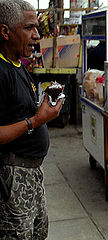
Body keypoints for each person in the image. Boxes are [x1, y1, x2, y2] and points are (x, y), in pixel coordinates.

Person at [0, 0, 63, 239]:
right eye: (29, 28)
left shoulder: (17, 64)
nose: (37, 35)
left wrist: (44, 105)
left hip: (32, 174)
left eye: (36, 27)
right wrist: (36, 121)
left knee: (37, 232)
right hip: (13, 177)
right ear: (5, 32)